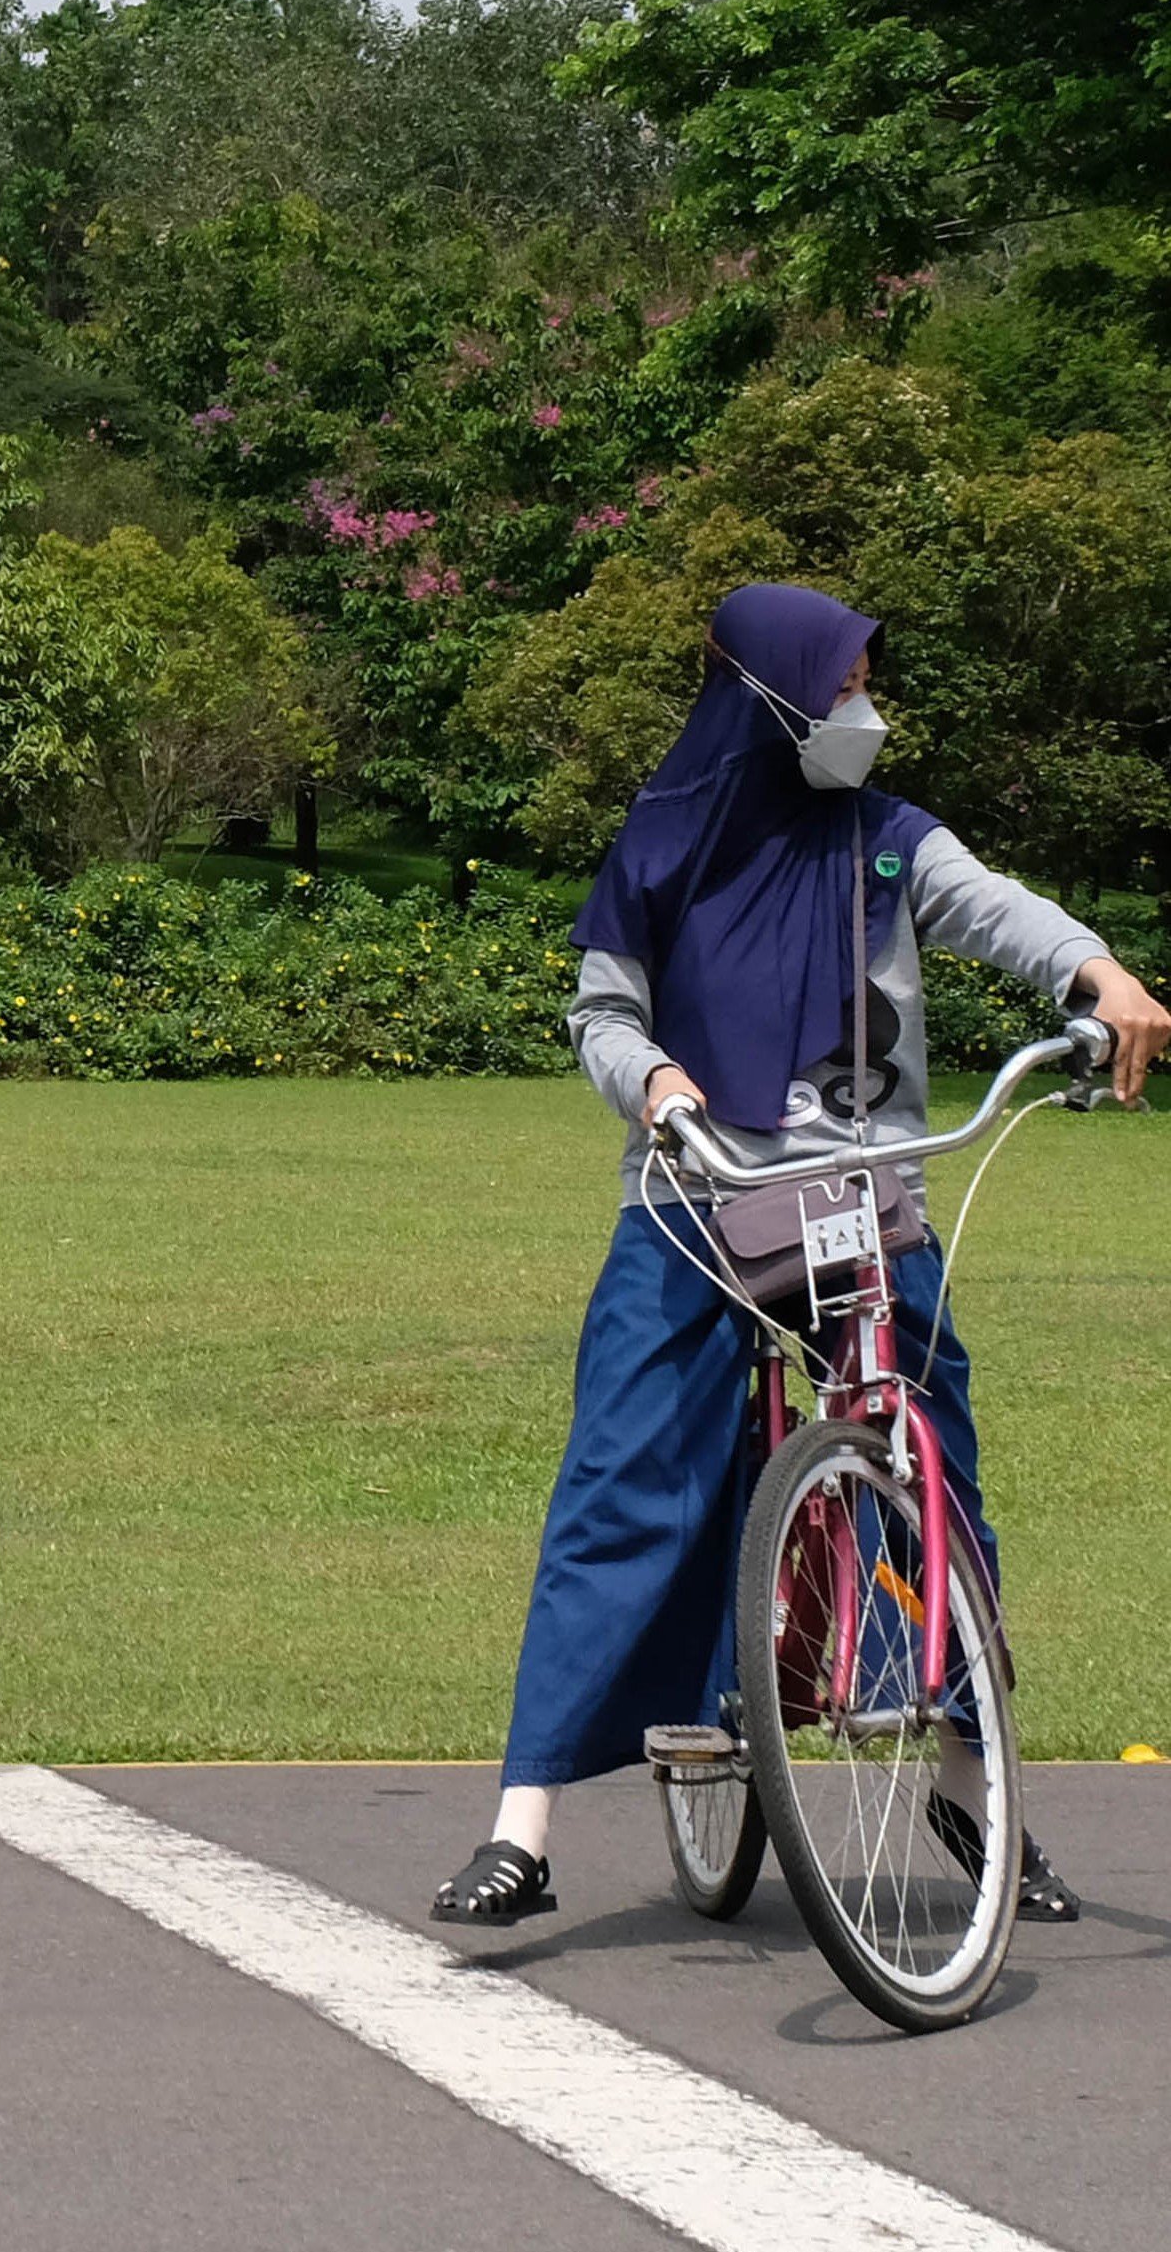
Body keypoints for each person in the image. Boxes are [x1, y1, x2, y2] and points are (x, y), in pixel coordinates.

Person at [434, 583, 1166, 1928]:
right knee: (617, 1478)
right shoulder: (663, 843)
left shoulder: (884, 840)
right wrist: (657, 1085)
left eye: (864, 684)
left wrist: (1096, 974)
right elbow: (603, 1014)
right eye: (840, 687)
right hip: (696, 1196)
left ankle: (968, 1785)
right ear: (767, 699)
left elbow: (993, 906)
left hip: (861, 1199)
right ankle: (520, 1831)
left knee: (935, 1475)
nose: (862, 712)